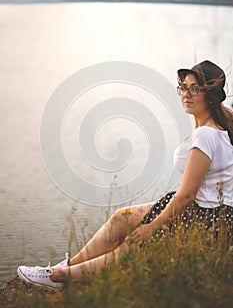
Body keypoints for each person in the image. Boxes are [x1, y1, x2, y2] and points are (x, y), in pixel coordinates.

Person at [17, 60, 233, 291]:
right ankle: (68, 265)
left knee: (133, 242)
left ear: (210, 95)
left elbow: (187, 195)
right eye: (184, 87)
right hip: (209, 211)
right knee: (121, 218)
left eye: (195, 89)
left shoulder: (206, 136)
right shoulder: (223, 120)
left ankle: (59, 277)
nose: (186, 95)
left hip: (206, 218)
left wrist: (153, 226)